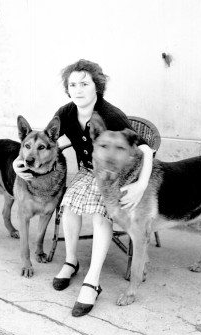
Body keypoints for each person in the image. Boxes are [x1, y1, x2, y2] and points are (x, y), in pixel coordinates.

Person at [13, 59, 154, 317]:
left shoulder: (110, 115)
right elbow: (41, 140)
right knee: (68, 208)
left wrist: (141, 184)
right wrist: (17, 161)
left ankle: (93, 279)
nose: (78, 89)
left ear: (96, 87)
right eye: (73, 84)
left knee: (100, 213)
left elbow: (145, 149)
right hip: (88, 172)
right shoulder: (66, 113)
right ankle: (71, 261)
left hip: (116, 175)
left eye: (85, 84)